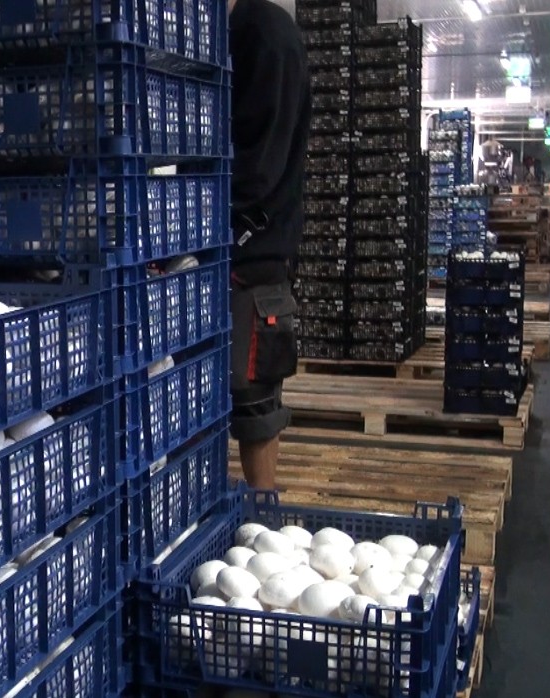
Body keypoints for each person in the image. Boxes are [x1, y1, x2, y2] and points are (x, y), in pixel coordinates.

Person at [227, 0, 311, 489]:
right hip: (238, 247)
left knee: (253, 396)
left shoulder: (266, 34)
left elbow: (260, 163)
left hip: (252, 251)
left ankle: (263, 514)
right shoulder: (246, 30)